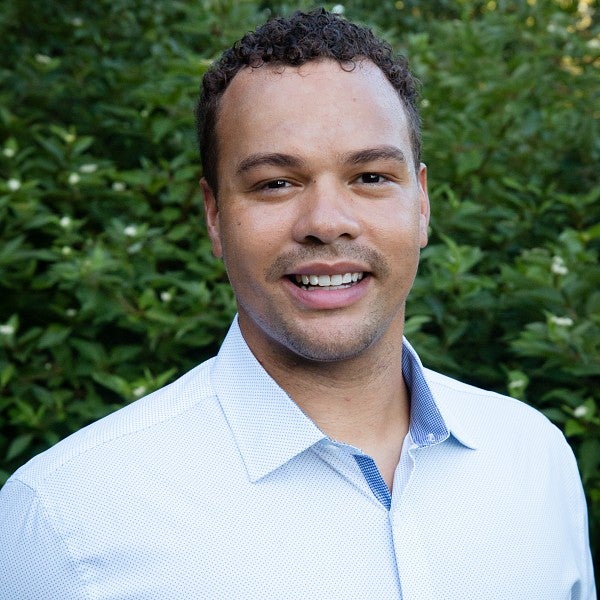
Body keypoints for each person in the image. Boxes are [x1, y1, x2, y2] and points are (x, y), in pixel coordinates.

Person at [0, 8, 595, 599]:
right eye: (276, 183)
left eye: (370, 177)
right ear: (214, 216)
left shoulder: (534, 457)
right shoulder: (65, 516)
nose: (327, 223)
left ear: (422, 205)